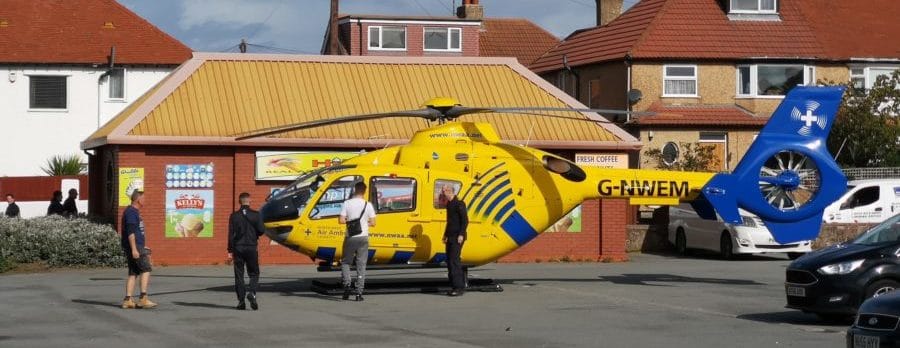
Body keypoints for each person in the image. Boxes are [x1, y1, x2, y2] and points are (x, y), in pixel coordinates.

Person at [338, 182, 376, 301]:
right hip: (363, 237)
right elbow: (373, 223)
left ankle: (347, 284)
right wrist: (364, 223)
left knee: (345, 262)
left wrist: (351, 221)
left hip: (350, 237)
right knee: (361, 265)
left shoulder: (347, 203)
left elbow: (341, 220)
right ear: (364, 191)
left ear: (355, 190)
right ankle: (359, 293)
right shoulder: (368, 204)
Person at [227, 192, 265, 310]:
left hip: (238, 247)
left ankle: (241, 302)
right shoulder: (256, 215)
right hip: (251, 247)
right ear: (250, 200)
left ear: (239, 201)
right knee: (254, 273)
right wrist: (255, 234)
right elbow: (262, 230)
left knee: (239, 275)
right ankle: (252, 293)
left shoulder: (234, 216)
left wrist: (230, 250)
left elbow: (230, 234)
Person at [121, 190, 156, 309]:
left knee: (133, 273)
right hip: (134, 246)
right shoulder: (131, 212)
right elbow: (130, 232)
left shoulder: (133, 212)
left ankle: (128, 300)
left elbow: (136, 231)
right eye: (144, 198)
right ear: (138, 200)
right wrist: (134, 249)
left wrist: (142, 245)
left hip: (137, 246)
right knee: (146, 269)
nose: (145, 200)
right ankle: (143, 298)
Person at [442, 184, 468, 296]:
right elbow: (450, 222)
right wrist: (445, 235)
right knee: (449, 260)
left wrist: (461, 234)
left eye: (444, 191)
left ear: (449, 191)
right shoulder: (449, 204)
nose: (443, 193)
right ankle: (454, 286)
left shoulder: (459, 204)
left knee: (454, 261)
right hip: (450, 237)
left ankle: (459, 288)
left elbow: (465, 220)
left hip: (458, 237)